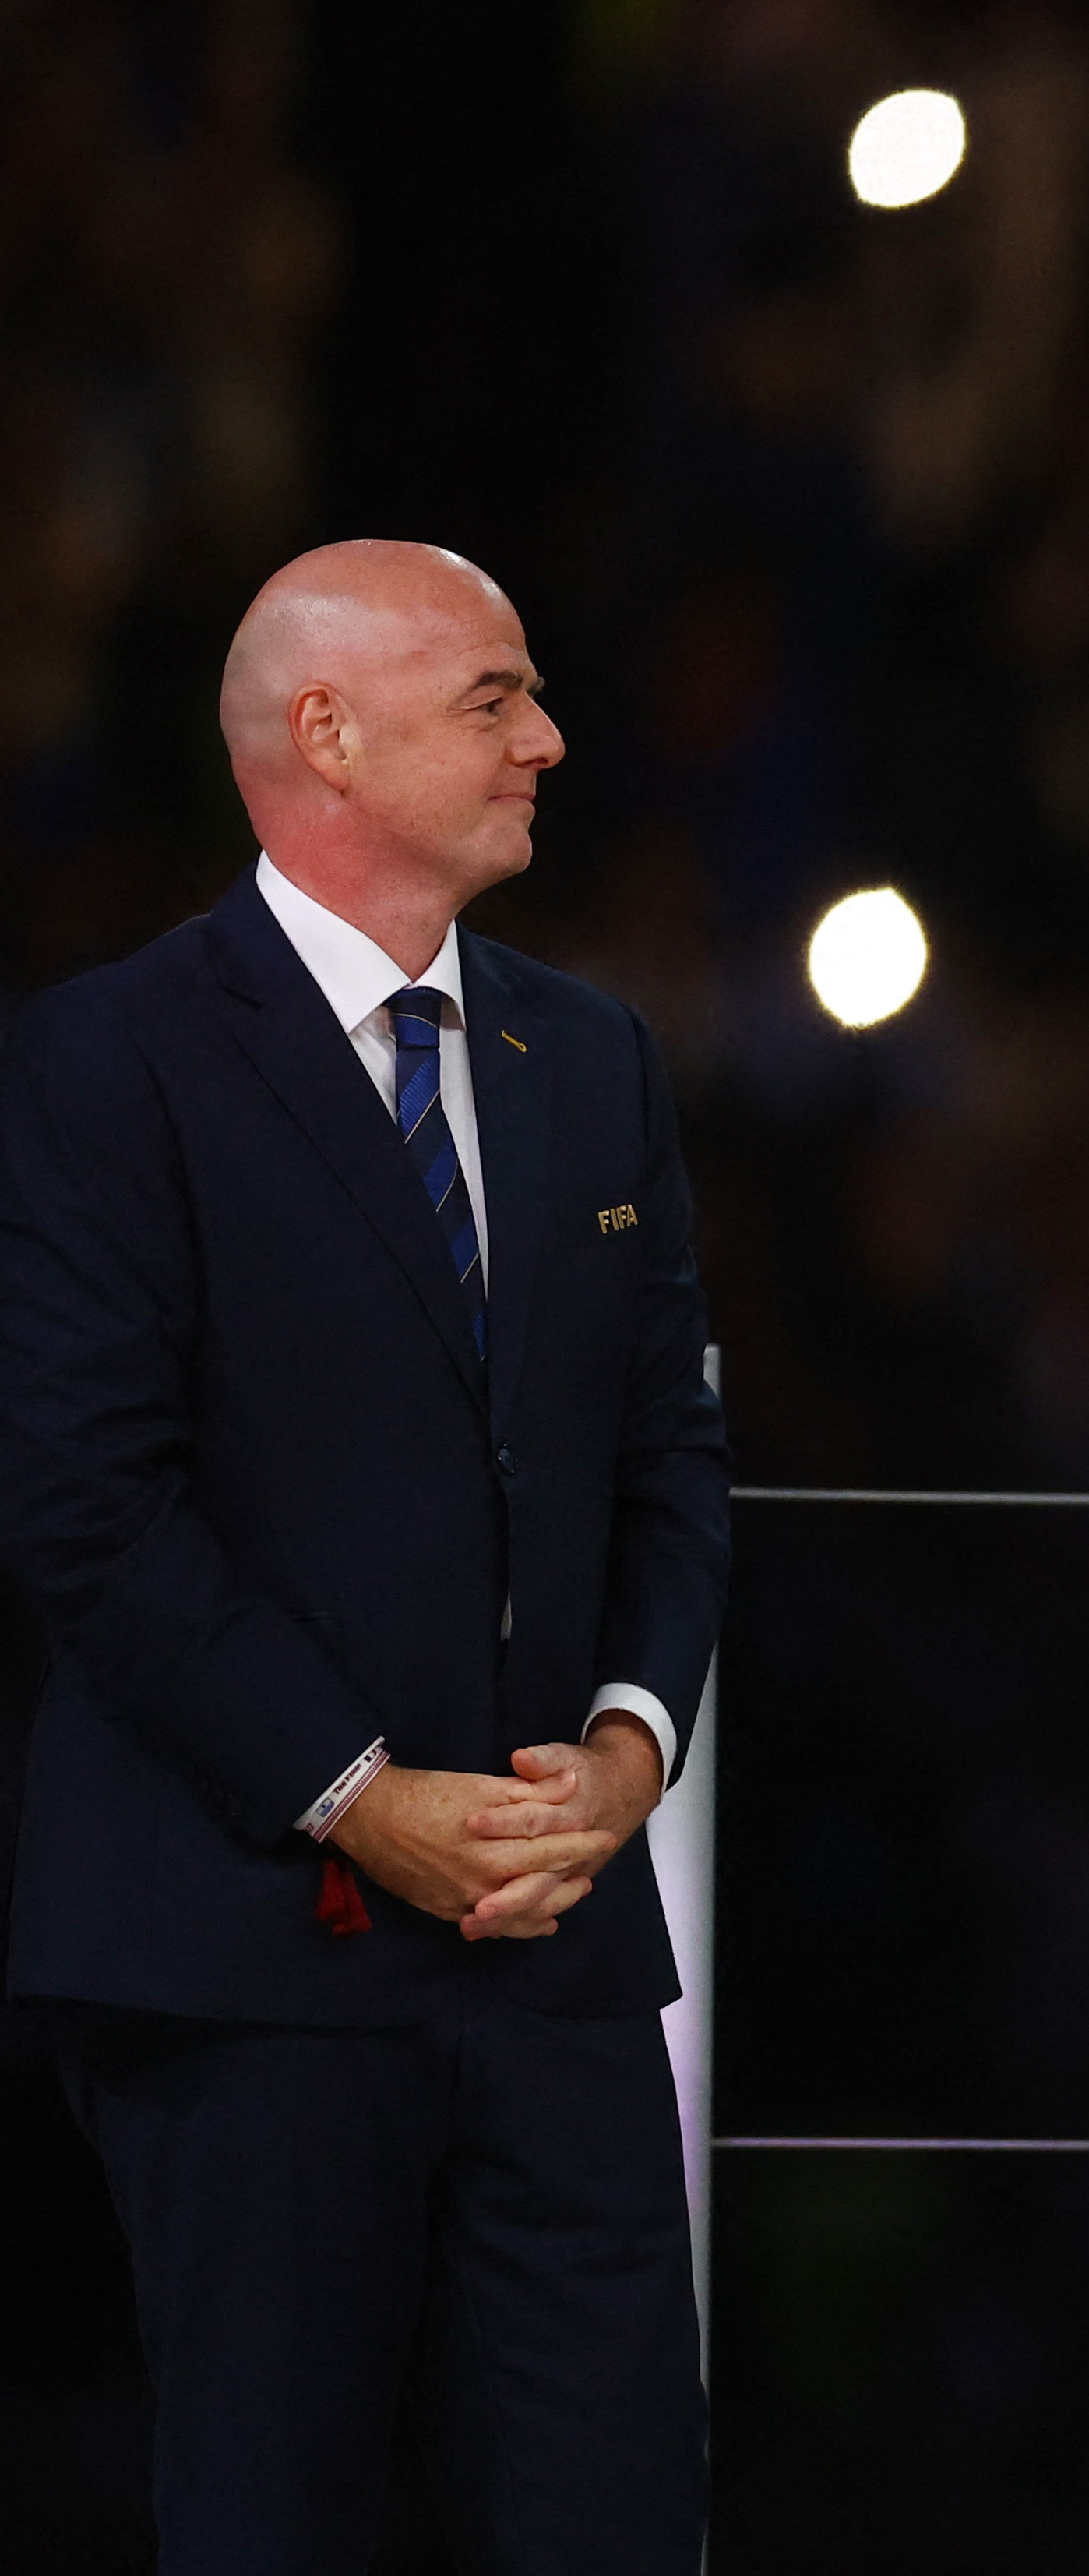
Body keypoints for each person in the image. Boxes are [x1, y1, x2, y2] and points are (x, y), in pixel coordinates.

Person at [0, 542, 730, 2567]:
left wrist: (625, 1750)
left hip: (559, 1953)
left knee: (614, 2519)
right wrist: (356, 1796)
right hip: (242, 1955)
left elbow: (674, 1459)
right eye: (495, 696)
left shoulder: (589, 1061)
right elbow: (84, 1501)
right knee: (273, 2523)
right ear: (325, 731)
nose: (550, 738)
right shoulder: (106, 1060)